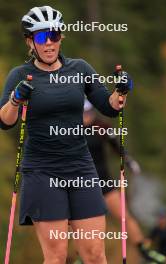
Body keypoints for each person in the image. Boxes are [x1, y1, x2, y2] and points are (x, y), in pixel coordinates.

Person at [0, 6, 131, 264]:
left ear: (61, 37)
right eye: (40, 37)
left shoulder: (80, 68)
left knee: (95, 254)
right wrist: (16, 99)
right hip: (42, 171)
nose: (48, 43)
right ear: (30, 41)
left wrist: (122, 90)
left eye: (54, 35)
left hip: (81, 168)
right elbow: (5, 122)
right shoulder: (19, 75)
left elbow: (110, 106)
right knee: (57, 256)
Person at [77, 99, 166, 264]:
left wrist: (128, 161)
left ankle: (144, 251)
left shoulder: (101, 127)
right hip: (82, 186)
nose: (87, 116)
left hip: (104, 182)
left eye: (89, 112)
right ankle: (83, 256)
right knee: (82, 225)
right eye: (83, 113)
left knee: (124, 216)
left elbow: (117, 147)